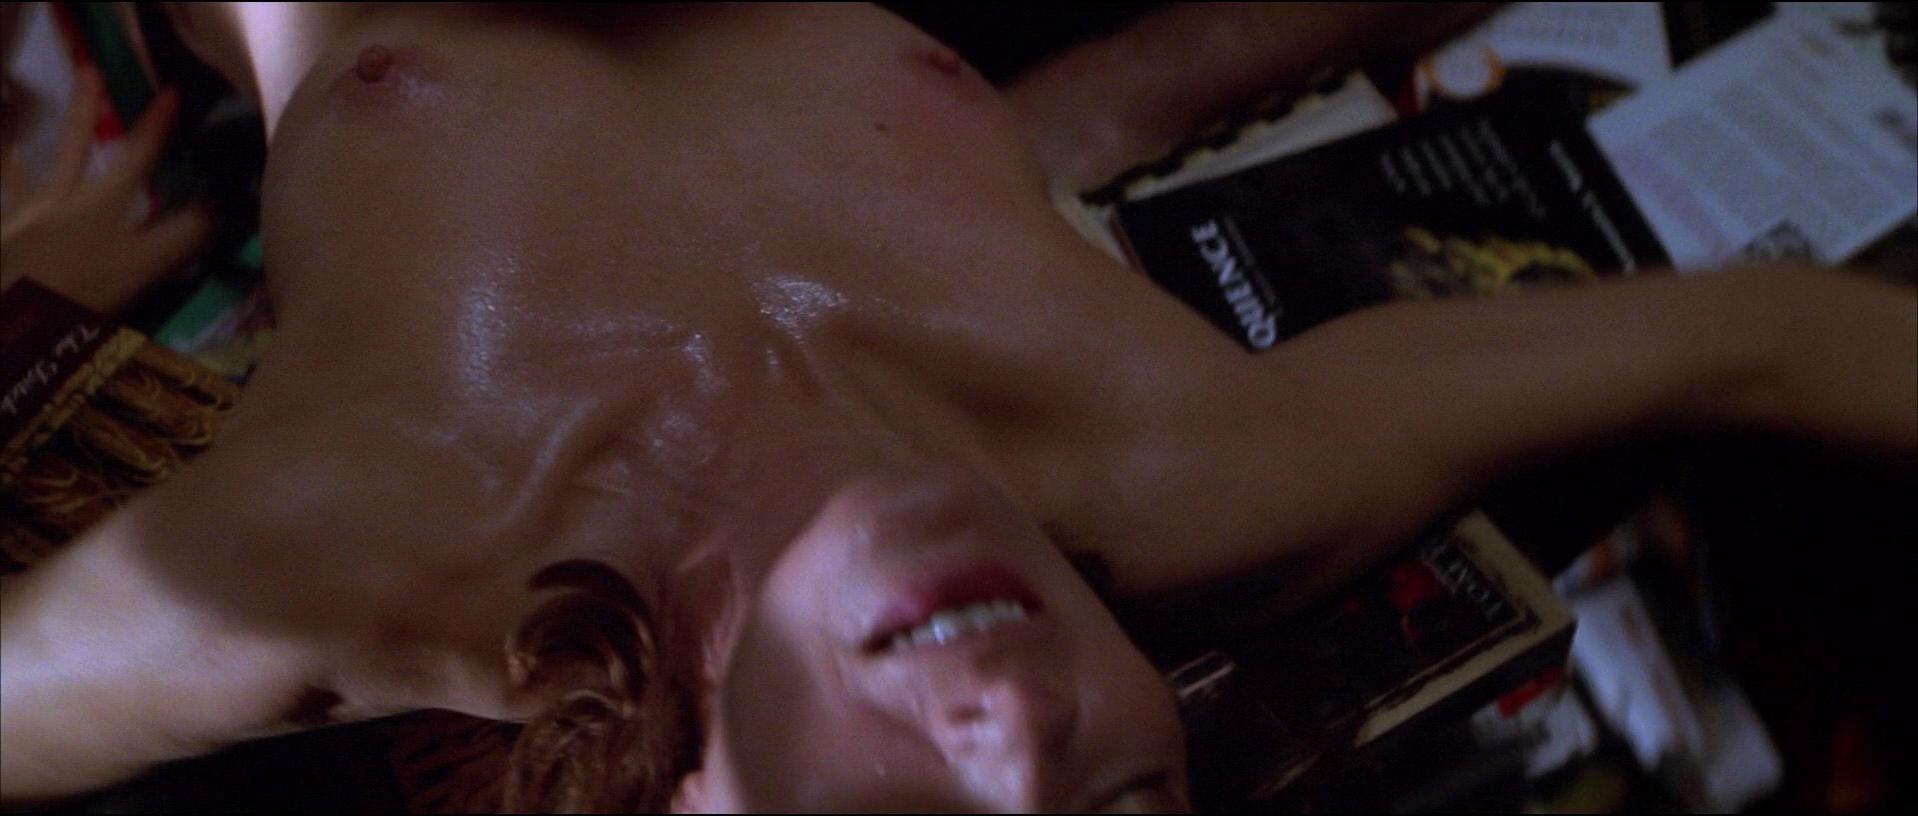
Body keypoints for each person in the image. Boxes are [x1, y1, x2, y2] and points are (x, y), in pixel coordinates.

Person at [2, 3, 1912, 811]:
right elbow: (1750, 336)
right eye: (1115, 807)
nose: (1013, 731)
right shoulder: (1193, 473)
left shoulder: (337, 556)